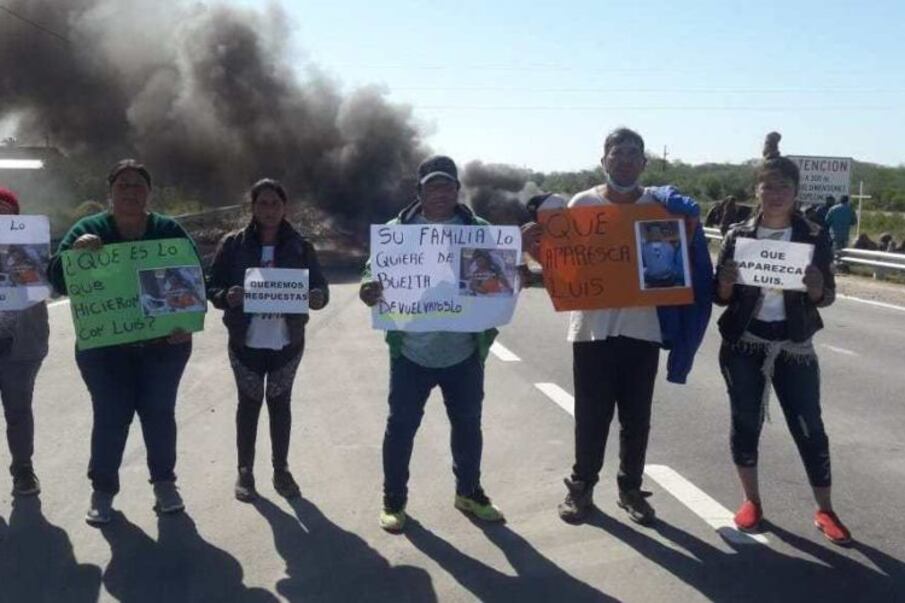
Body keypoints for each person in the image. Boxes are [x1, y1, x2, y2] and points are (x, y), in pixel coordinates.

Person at [523, 128, 713, 525]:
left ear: (644, 163)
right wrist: (536, 250)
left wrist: (688, 235)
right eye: (617, 153)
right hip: (591, 330)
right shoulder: (582, 204)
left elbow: (678, 267)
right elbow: (566, 270)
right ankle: (581, 488)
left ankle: (631, 490)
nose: (624, 160)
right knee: (590, 416)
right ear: (603, 160)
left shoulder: (659, 209)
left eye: (632, 154)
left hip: (643, 329)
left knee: (636, 418)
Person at [713, 132, 851, 545]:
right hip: (743, 343)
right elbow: (720, 297)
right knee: (745, 422)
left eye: (784, 187)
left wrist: (816, 288)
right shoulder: (738, 235)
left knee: (809, 425)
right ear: (756, 190)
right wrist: (725, 283)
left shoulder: (813, 235)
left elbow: (826, 296)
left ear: (796, 191)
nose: (775, 194)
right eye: (768, 186)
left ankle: (825, 509)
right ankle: (751, 501)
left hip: (794, 344)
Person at [48, 160, 198, 525]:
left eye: (138, 185)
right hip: (104, 351)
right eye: (123, 184)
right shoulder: (88, 229)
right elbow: (57, 278)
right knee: (110, 418)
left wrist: (187, 320)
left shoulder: (167, 230)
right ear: (110, 192)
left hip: (164, 347)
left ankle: (164, 484)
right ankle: (102, 492)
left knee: (159, 415)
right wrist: (74, 254)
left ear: (149, 193)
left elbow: (195, 276)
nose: (131, 191)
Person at [360, 155, 505, 533]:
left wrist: (514, 276)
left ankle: (469, 492)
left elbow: (498, 278)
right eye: (432, 186)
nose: (440, 193)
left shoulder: (478, 230)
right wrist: (368, 288)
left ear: (458, 189)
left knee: (468, 426)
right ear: (419, 191)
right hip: (411, 352)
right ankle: (393, 500)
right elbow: (372, 271)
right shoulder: (396, 232)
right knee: (400, 428)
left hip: (464, 352)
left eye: (447, 186)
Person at [207, 179, 329, 502]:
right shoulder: (233, 244)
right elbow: (212, 286)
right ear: (253, 207)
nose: (269, 209)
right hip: (244, 341)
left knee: (280, 404)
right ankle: (245, 471)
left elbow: (320, 288)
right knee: (248, 405)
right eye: (263, 203)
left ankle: (281, 469)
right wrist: (226, 296)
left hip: (287, 342)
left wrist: (317, 297)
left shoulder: (301, 246)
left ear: (284, 207)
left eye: (275, 203)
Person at [0, 188, 49, 497]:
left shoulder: (30, 248)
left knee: (18, 410)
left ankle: (23, 469)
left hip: (20, 345)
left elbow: (49, 282)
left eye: (4, 209)